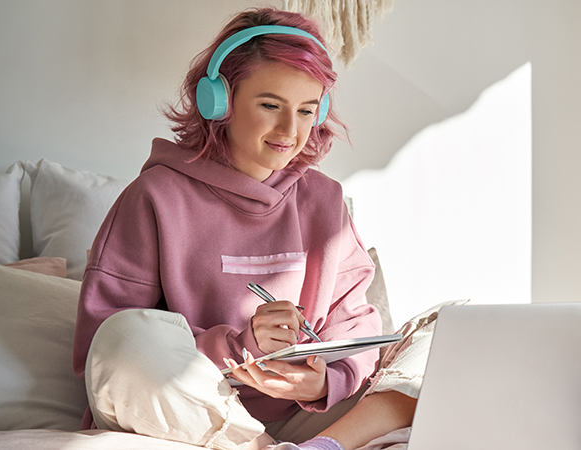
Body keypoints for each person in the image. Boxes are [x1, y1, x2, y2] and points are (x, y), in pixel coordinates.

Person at [71, 7, 439, 450]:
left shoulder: (324, 199)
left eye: (306, 111)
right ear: (218, 100)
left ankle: (322, 447)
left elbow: (355, 326)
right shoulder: (155, 196)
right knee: (124, 338)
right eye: (270, 105)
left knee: (445, 329)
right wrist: (239, 345)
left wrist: (323, 384)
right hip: (192, 411)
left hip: (307, 419)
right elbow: (103, 346)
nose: (291, 130)